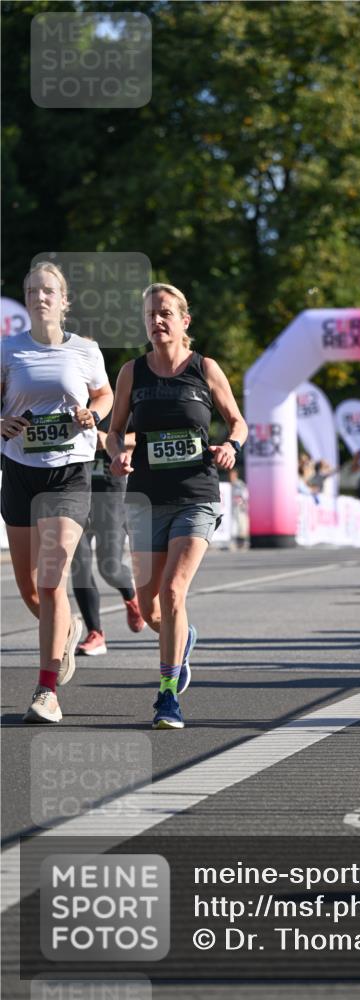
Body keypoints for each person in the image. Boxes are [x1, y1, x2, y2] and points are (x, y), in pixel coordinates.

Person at [107, 282, 248, 728]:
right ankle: (182, 639)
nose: (157, 321)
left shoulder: (204, 368)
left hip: (195, 495)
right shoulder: (132, 372)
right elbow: (114, 431)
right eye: (150, 314)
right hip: (146, 497)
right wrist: (117, 454)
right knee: (152, 609)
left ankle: (167, 696)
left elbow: (238, 421)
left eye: (166, 312)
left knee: (172, 592)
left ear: (184, 321)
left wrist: (231, 447)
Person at [1, 262, 113, 723]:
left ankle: (46, 690)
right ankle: (63, 634)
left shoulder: (85, 350)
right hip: (20, 470)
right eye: (32, 290)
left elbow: (103, 395)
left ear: (64, 301)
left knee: (51, 579)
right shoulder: (8, 350)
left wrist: (92, 413)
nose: (39, 296)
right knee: (30, 586)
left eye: (48, 290)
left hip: (68, 472)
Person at [70, 413, 146, 655]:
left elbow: (145, 437)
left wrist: (110, 440)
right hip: (75, 490)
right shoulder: (66, 402)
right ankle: (95, 633)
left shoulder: (116, 404)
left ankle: (131, 596)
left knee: (109, 567)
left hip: (110, 492)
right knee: (79, 565)